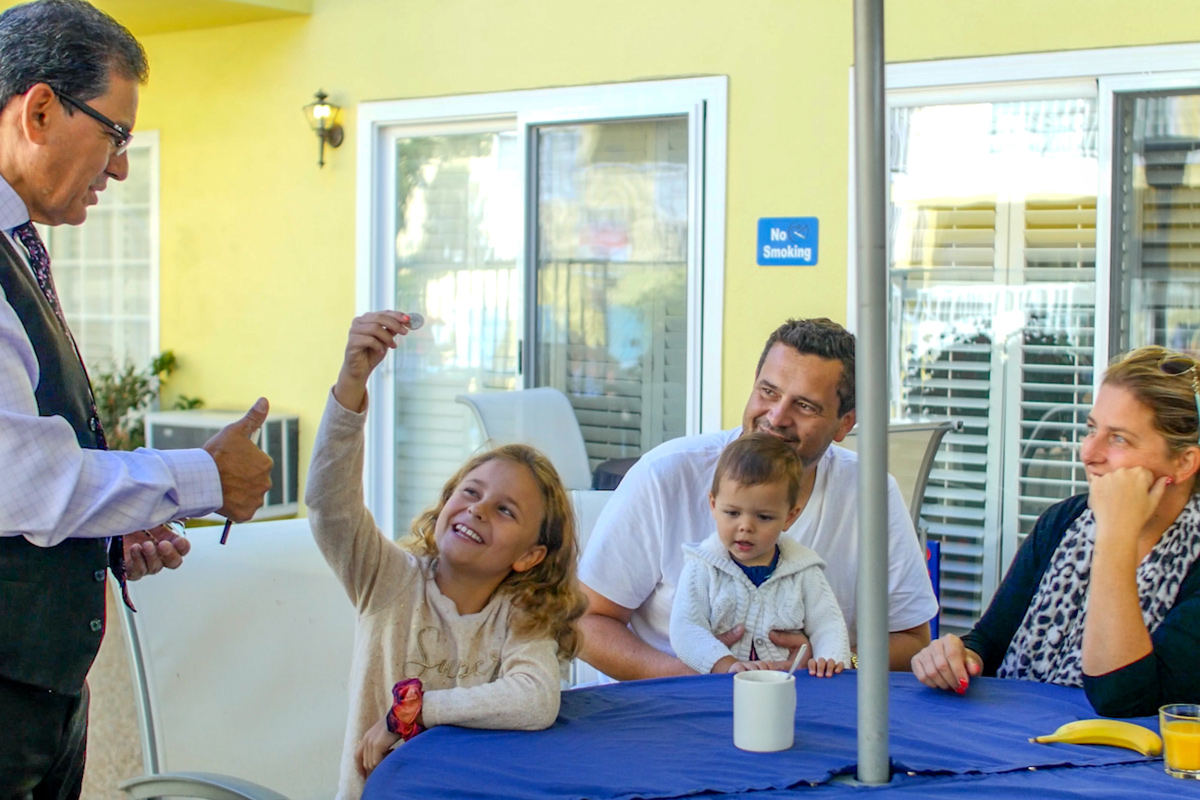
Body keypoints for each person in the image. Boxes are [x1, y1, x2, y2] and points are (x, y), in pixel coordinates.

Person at [0, 2, 273, 797]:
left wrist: (110, 533)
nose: (120, 166)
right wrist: (204, 476)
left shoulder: (18, 250)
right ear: (41, 110)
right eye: (116, 133)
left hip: (42, 691)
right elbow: (30, 484)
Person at [306, 310, 588, 800]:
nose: (477, 510)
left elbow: (537, 699)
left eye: (504, 510)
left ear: (530, 555)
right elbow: (330, 505)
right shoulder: (388, 580)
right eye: (471, 492)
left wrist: (411, 714)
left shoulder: (521, 617)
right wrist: (352, 382)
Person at [578, 317, 938, 680]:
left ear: (845, 424)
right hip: (669, 712)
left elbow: (911, 639)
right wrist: (701, 678)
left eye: (805, 406)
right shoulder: (666, 474)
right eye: (768, 392)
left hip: (811, 711)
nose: (777, 417)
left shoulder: (870, 493)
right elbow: (586, 622)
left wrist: (837, 661)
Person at [911, 346, 1200, 718]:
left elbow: (1122, 698)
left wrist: (1115, 537)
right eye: (1092, 429)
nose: (1089, 453)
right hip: (1012, 742)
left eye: (1119, 439)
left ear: (1185, 461)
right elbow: (989, 641)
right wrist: (956, 654)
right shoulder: (1065, 521)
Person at [669, 433, 850, 676]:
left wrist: (830, 658)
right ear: (713, 505)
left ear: (789, 516)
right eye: (732, 513)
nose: (746, 526)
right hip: (720, 688)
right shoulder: (702, 567)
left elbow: (828, 623)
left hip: (789, 686)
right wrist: (725, 664)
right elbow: (686, 628)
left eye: (763, 517)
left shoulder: (803, 569)